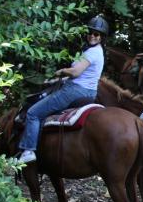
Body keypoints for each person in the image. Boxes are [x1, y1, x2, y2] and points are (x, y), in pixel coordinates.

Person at [16, 15, 108, 164]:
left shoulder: (92, 53)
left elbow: (76, 72)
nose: (92, 36)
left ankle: (28, 150)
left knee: (33, 113)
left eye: (96, 34)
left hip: (74, 91)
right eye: (90, 32)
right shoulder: (97, 51)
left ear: (101, 37)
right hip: (89, 92)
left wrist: (62, 71)